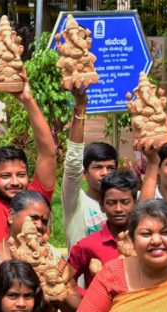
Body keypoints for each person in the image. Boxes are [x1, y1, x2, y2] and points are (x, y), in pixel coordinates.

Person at [0, 63, 57, 244]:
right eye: (6, 176)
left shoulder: (36, 198)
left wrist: (28, 100)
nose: (15, 182)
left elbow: (48, 154)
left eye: (21, 175)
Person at [61, 80, 118, 248]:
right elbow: (73, 163)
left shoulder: (122, 204)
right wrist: (80, 108)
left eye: (110, 168)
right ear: (84, 173)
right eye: (97, 167)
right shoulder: (76, 201)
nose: (105, 173)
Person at [67, 170, 137, 288]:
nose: (118, 209)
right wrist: (86, 299)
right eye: (111, 203)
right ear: (101, 206)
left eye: (125, 202)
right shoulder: (87, 245)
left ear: (136, 203)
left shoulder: (145, 242)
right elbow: (65, 281)